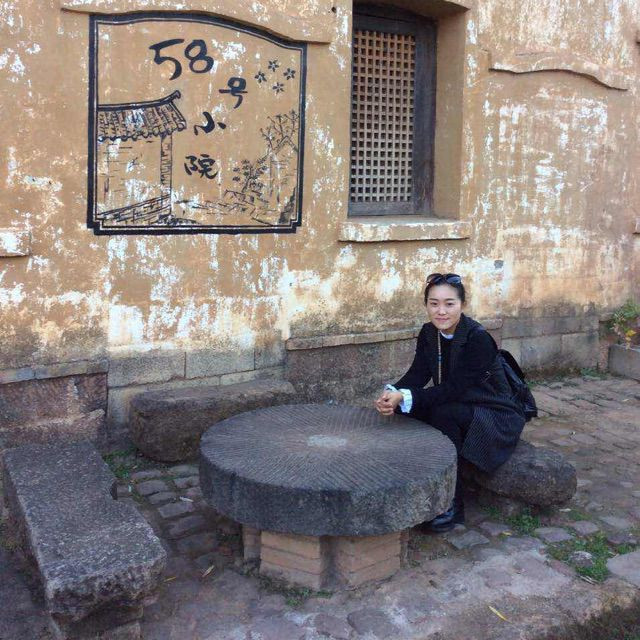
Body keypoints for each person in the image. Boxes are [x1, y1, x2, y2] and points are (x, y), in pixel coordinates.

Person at [374, 273, 526, 532]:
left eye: (449, 304)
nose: (441, 311)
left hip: (493, 412)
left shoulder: (478, 338)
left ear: (462, 305)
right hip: (457, 401)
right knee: (406, 410)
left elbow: (455, 388)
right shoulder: (429, 333)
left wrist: (407, 397)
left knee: (443, 414)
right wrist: (393, 393)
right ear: (426, 305)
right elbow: (418, 374)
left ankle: (451, 505)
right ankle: (412, 482)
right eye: (434, 304)